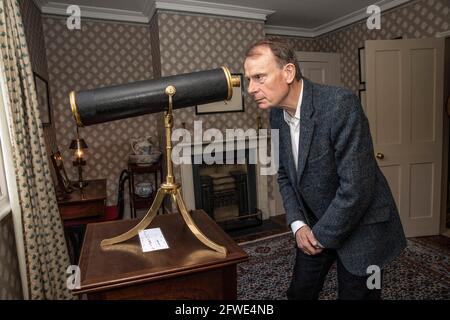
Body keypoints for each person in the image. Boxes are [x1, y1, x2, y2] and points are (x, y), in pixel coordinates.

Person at [243, 39, 406, 300]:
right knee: (299, 293)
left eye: (259, 77)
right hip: (313, 222)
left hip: (362, 225)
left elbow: (357, 188)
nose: (251, 89)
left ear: (288, 72)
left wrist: (318, 236)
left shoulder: (340, 105)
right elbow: (284, 173)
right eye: (248, 79)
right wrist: (298, 225)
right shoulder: (275, 115)